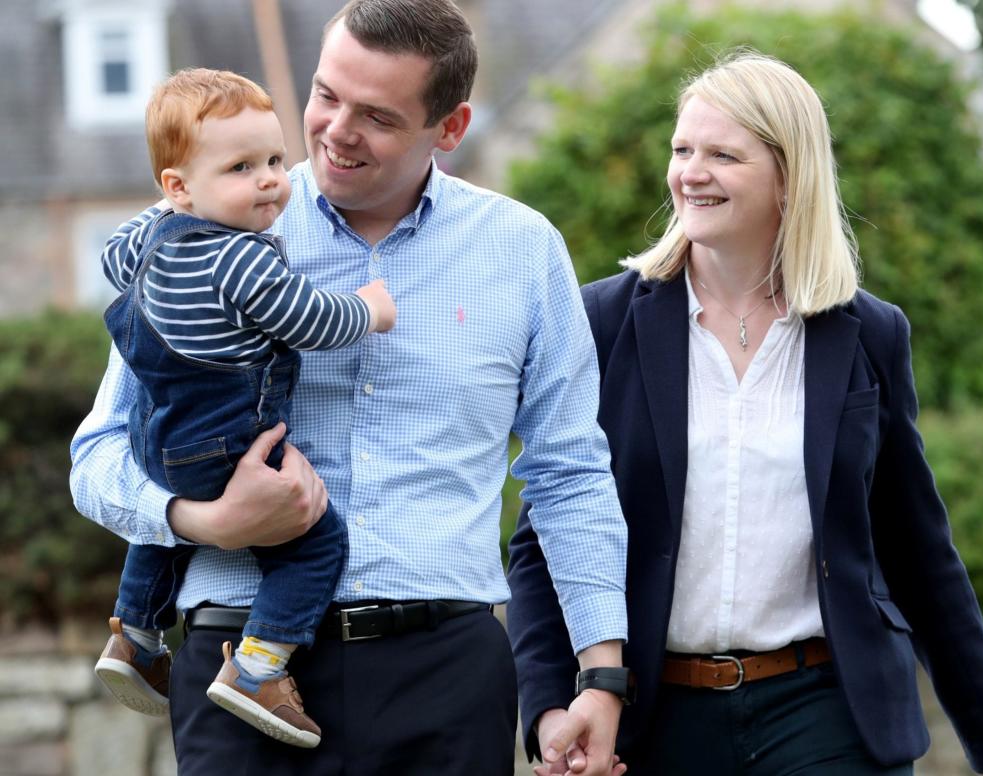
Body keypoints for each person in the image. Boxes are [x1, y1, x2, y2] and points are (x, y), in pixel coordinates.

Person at [70, 2, 628, 774]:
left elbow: (569, 473)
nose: (335, 129)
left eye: (376, 115)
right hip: (235, 668)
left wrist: (601, 676)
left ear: (450, 127)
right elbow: (97, 455)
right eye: (326, 94)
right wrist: (203, 518)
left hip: (446, 680)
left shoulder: (523, 252)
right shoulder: (200, 232)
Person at [507, 52, 983, 775]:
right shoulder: (601, 324)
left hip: (828, 711)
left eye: (723, 155)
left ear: (790, 179)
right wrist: (548, 707)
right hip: (653, 720)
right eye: (682, 149)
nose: (691, 172)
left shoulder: (869, 335)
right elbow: (544, 543)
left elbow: (921, 555)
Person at [90, 67, 396, 750]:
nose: (267, 180)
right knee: (315, 544)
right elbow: (309, 320)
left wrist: (171, 206)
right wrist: (369, 310)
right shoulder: (243, 260)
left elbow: (112, 259)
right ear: (180, 186)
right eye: (239, 168)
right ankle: (260, 666)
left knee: (167, 526)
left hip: (158, 439)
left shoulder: (146, 241)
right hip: (231, 441)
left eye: (273, 160)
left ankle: (135, 635)